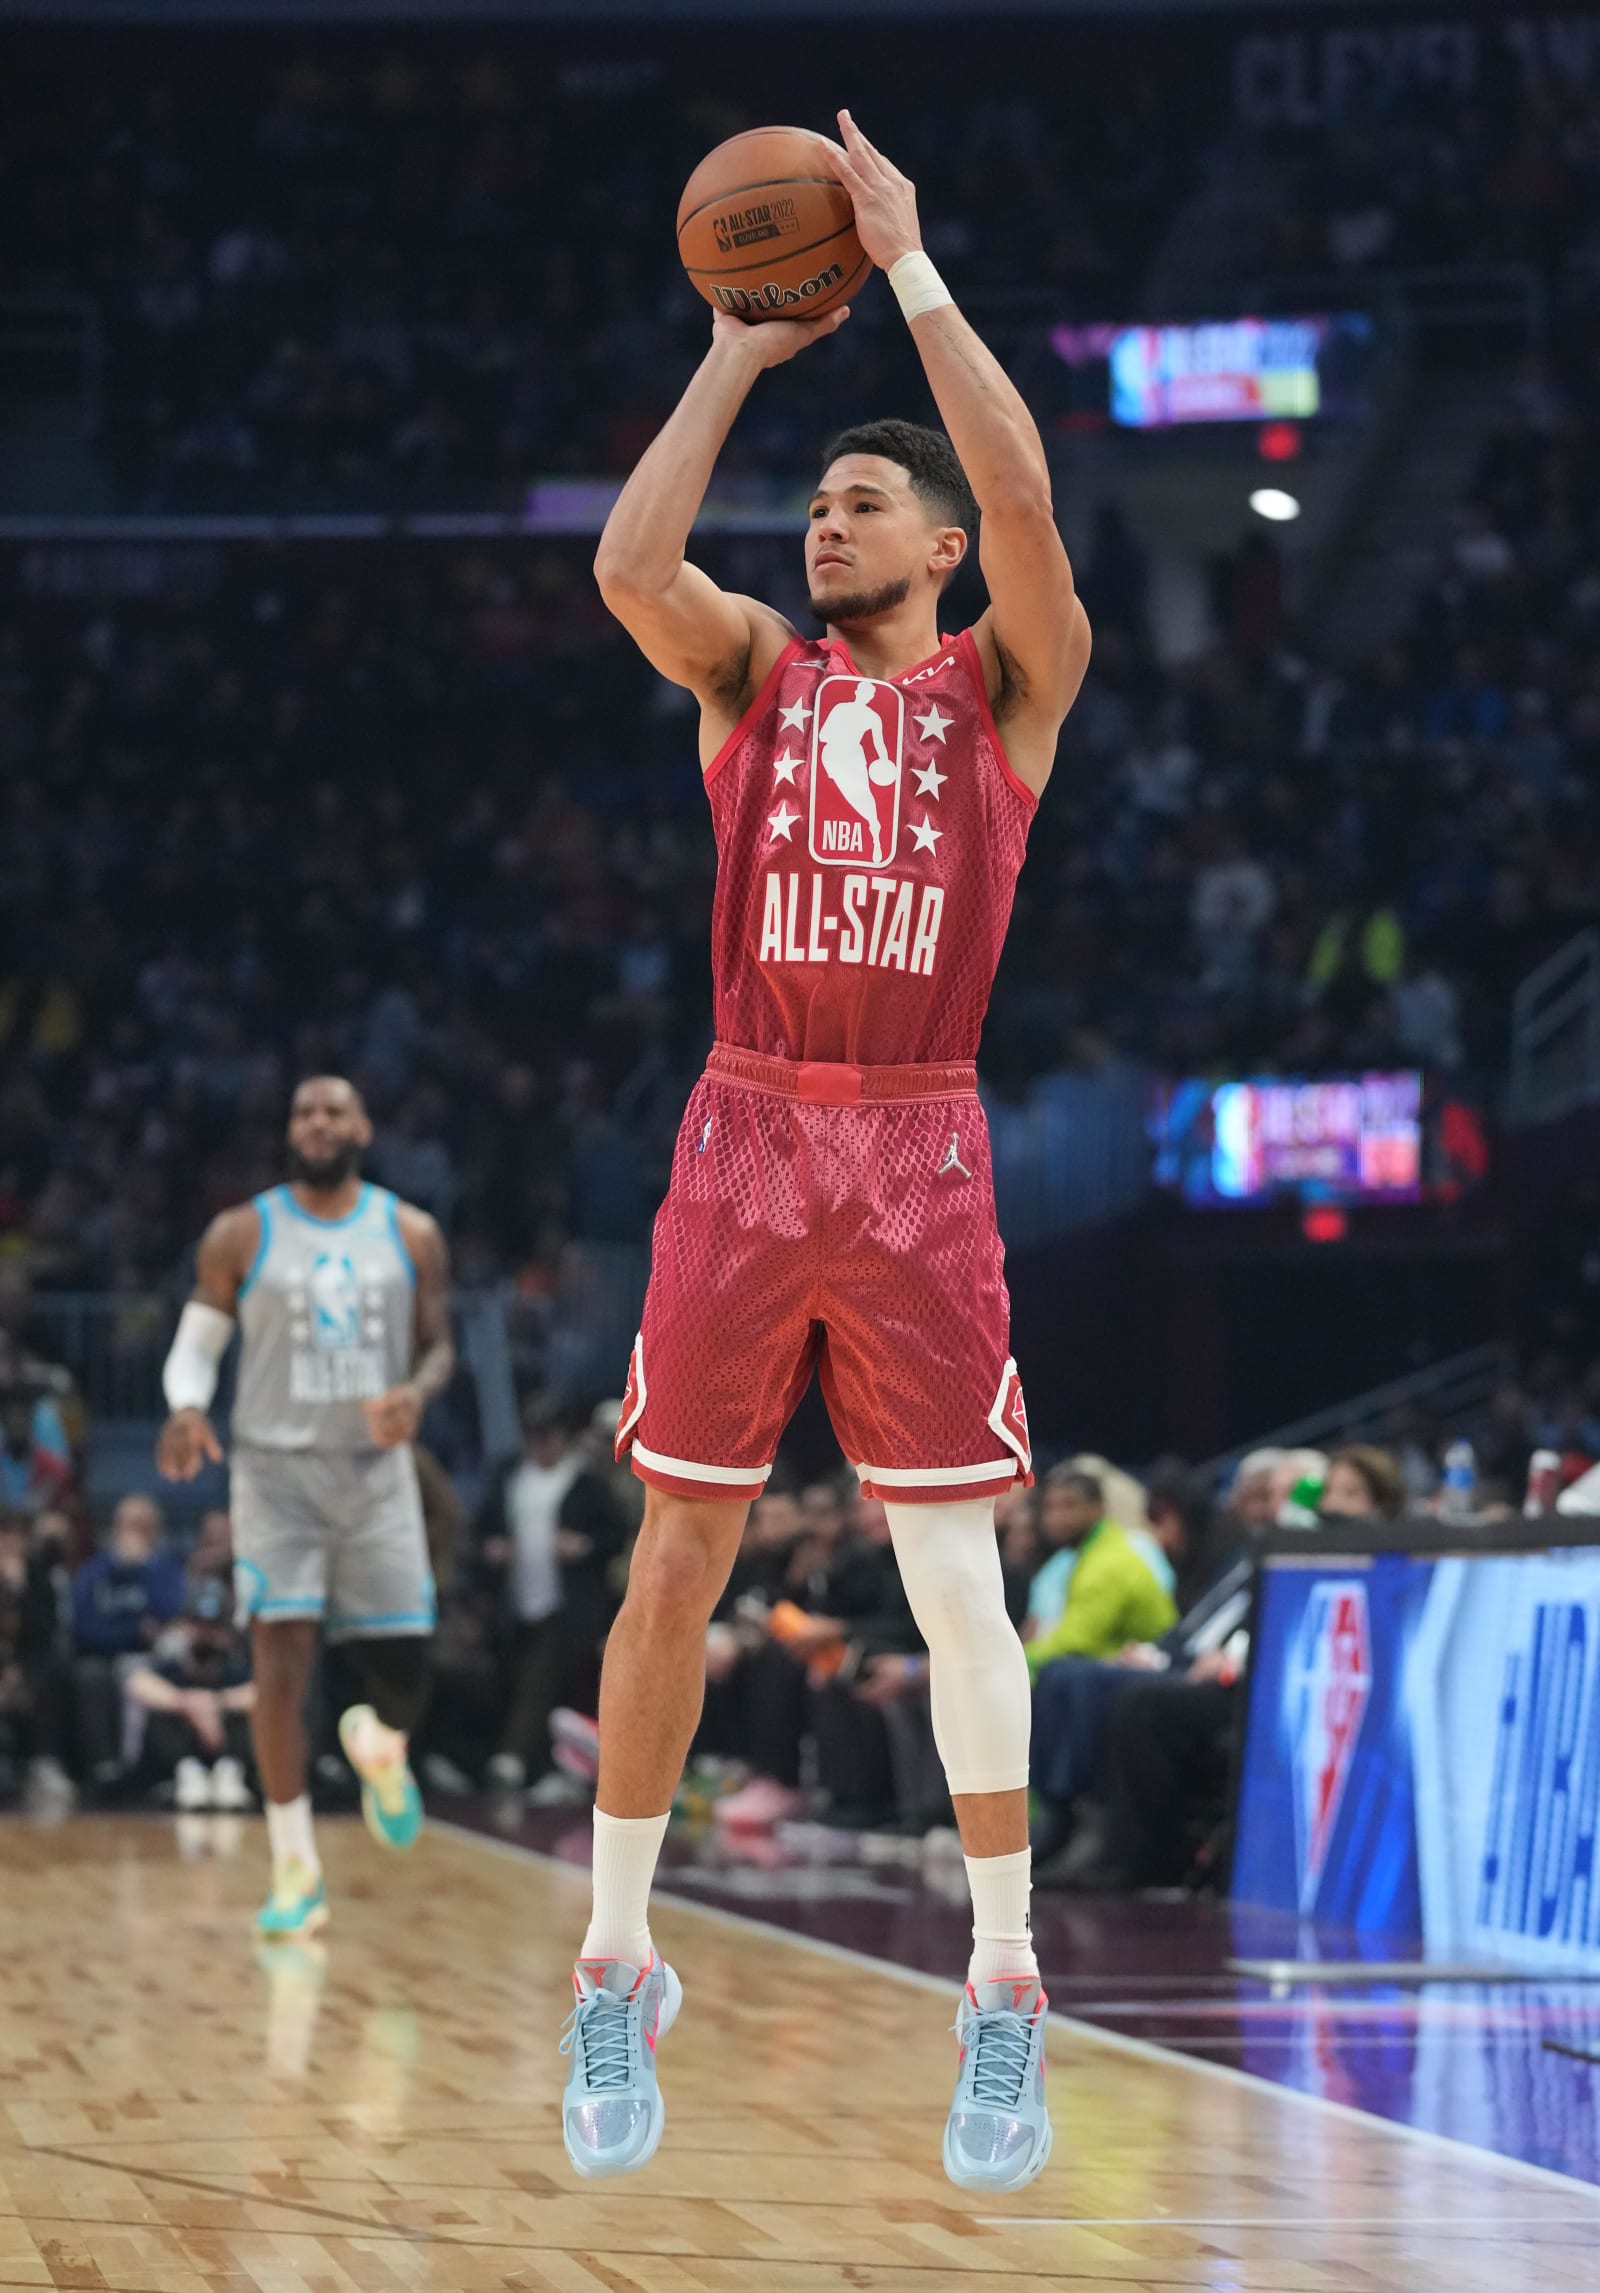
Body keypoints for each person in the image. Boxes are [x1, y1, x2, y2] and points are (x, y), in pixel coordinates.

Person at [566, 111, 1091, 2193]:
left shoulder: (1005, 694)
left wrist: (912, 264)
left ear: (938, 546)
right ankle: (613, 1965)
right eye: (812, 502)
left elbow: (1036, 491)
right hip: (746, 1126)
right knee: (673, 1556)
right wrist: (736, 352)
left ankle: (1004, 1990)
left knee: (953, 1579)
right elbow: (624, 567)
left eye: (857, 501)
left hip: (917, 1154)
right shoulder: (750, 676)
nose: (818, 523)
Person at [156, 1074, 454, 1937]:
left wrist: (418, 1392)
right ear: (289, 1129)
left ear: (362, 1125)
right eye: (303, 1112)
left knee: (406, 1669)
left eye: (333, 1110)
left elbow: (439, 1348)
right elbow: (196, 1345)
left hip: (375, 1467)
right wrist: (184, 1404)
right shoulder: (242, 1230)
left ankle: (380, 1740)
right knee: (280, 1665)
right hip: (276, 1471)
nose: (317, 1123)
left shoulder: (411, 1231)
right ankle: (295, 1868)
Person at [476, 1395, 627, 1796]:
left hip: (568, 1602)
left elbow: (615, 1533)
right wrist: (492, 1548)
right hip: (515, 1599)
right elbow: (481, 1527)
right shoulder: (510, 1476)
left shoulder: (587, 1481)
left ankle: (513, 1757)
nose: (543, 1446)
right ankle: (534, 1763)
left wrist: (585, 1547)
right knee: (515, 1677)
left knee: (540, 1677)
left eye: (550, 1437)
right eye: (535, 1437)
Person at [71, 1495, 184, 1794]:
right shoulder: (95, 1571)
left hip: (151, 1660)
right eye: (124, 1524)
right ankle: (105, 1768)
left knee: (150, 1673)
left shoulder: (163, 1570)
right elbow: (84, 1626)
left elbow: (170, 1615)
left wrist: (142, 1568)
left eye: (139, 1525)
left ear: (153, 1532)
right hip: (104, 1657)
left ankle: (151, 1769)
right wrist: (134, 1632)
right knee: (90, 1675)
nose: (129, 1532)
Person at [1022, 1471, 1177, 1674]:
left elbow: (1073, 1643)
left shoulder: (1106, 1564)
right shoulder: (1092, 1552)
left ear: (1098, 1507)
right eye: (1049, 1507)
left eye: (1069, 1505)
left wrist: (1015, 1664)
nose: (1055, 1518)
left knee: (1060, 1673)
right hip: (1123, 1663)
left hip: (1159, 1667)